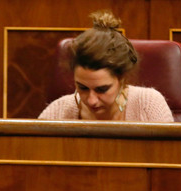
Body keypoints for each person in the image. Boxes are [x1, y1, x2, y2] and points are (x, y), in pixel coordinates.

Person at [38, 10, 173, 122]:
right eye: (82, 87)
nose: (91, 101)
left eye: (102, 89)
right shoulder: (57, 113)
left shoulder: (149, 106)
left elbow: (170, 153)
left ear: (122, 79)